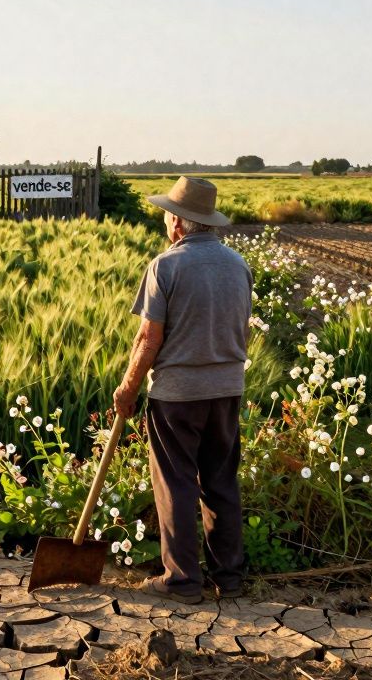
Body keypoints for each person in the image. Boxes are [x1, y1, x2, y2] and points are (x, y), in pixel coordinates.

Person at [113, 176, 253, 604]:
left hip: (177, 396)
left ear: (177, 223)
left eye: (166, 216)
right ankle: (229, 577)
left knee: (175, 483)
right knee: (221, 482)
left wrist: (127, 388)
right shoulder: (238, 265)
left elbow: (148, 340)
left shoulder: (166, 266)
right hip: (228, 391)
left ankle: (182, 581)